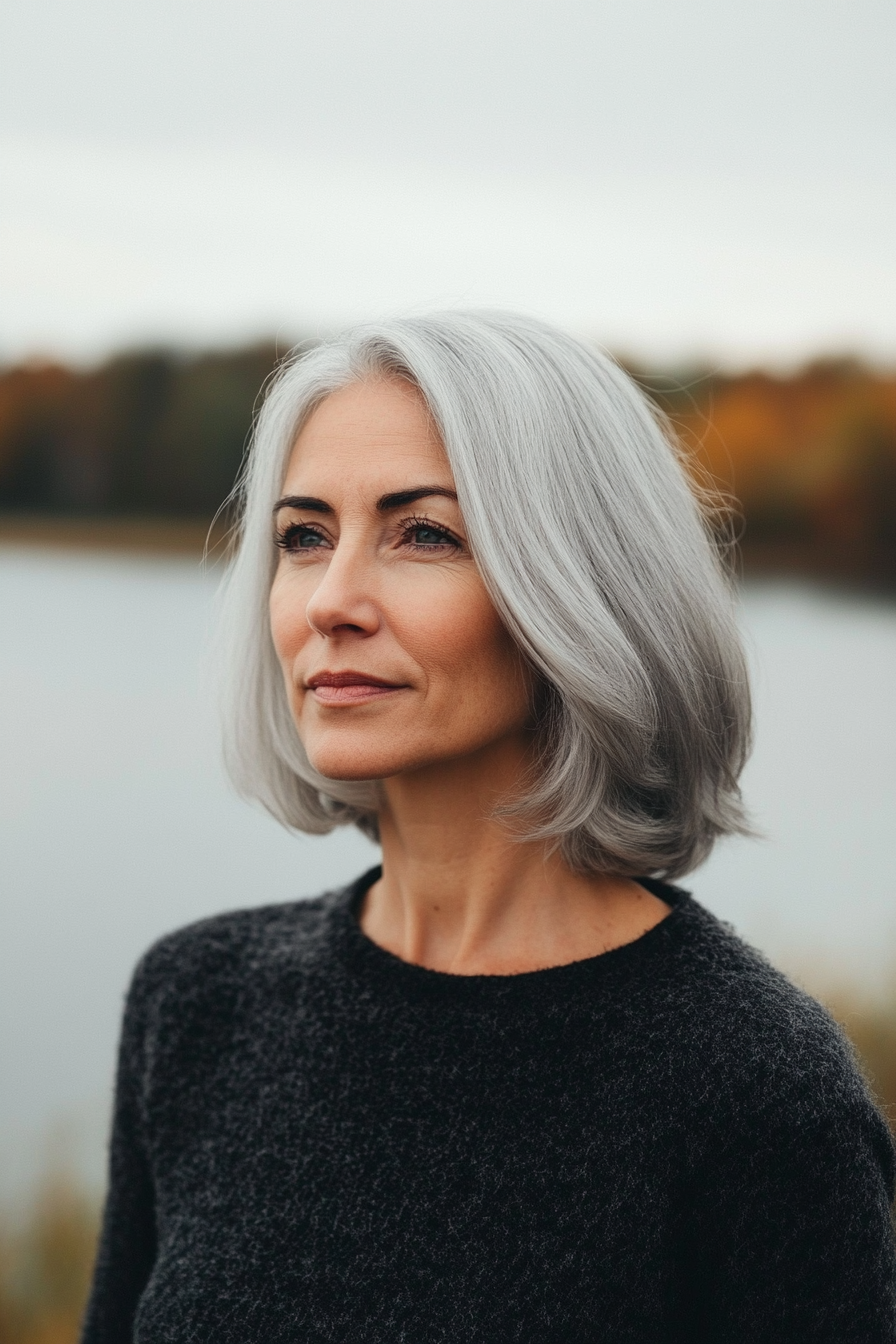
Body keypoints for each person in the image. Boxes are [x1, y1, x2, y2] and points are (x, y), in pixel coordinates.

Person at [82, 311, 896, 1343]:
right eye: (303, 536)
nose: (330, 600)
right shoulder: (196, 1004)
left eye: (422, 533)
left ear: (581, 587)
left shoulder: (758, 1097)